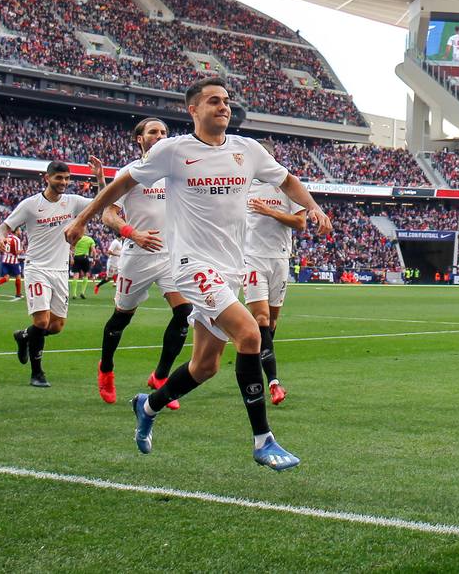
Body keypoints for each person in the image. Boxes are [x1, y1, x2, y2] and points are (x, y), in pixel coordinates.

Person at [65, 79, 332, 470]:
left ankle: (148, 405)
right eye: (213, 101)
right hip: (190, 266)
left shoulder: (248, 150)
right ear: (193, 110)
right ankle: (264, 441)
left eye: (226, 100)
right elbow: (121, 184)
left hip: (230, 269)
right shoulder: (172, 151)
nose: (222, 106)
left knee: (205, 365)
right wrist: (83, 219)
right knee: (250, 334)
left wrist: (313, 207)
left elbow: (287, 181)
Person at [91, 117, 190, 407]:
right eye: (153, 132)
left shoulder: (177, 175)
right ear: (140, 139)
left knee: (185, 311)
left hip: (172, 254)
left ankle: (160, 377)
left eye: (164, 132)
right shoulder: (131, 172)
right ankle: (106, 368)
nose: (160, 136)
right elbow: (108, 214)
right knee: (122, 317)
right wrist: (133, 233)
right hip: (138, 253)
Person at [0, 159, 101, 388]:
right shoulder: (31, 205)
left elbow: (101, 203)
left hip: (61, 270)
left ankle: (24, 336)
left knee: (56, 327)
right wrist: (1, 237)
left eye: (66, 178)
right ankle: (37, 373)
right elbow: (5, 226)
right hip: (37, 268)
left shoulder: (72, 202)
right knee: (41, 322)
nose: (63, 182)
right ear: (47, 178)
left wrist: (100, 178)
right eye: (58, 178)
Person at [242, 139, 308, 405]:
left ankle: (255, 358)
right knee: (260, 319)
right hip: (251, 259)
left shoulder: (286, 185)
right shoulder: (242, 187)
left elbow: (300, 223)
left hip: (279, 259)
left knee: (271, 324)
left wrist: (269, 211)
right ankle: (274, 383)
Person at [0, 228, 24, 297]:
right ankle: (18, 293)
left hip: (5, 259)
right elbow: (16, 252)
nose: (20, 232)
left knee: (7, 277)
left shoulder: (7, 237)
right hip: (13, 261)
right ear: (17, 231)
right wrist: (21, 250)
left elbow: (0, 247)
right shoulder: (17, 240)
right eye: (19, 230)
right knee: (18, 276)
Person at [70, 233, 95, 299]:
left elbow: (71, 249)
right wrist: (93, 259)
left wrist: (72, 258)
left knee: (76, 275)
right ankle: (82, 292)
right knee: (86, 274)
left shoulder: (76, 239)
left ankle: (74, 294)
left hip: (76, 257)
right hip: (85, 257)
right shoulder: (90, 239)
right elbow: (93, 251)